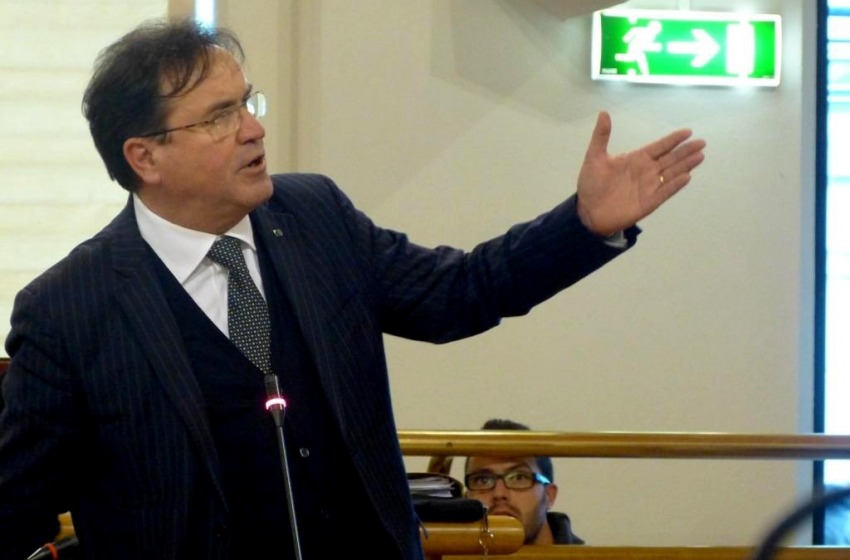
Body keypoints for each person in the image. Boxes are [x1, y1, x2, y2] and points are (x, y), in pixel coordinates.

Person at [0, 16, 705, 560]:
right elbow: (15, 505)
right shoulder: (70, 308)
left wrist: (583, 226)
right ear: (144, 157)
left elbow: (459, 292)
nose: (253, 129)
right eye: (219, 117)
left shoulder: (316, 217)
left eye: (246, 103)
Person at [464, 419, 584, 545]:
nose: (499, 493)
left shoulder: (592, 554)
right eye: (483, 480)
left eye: (518, 478)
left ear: (549, 495)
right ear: (466, 497)